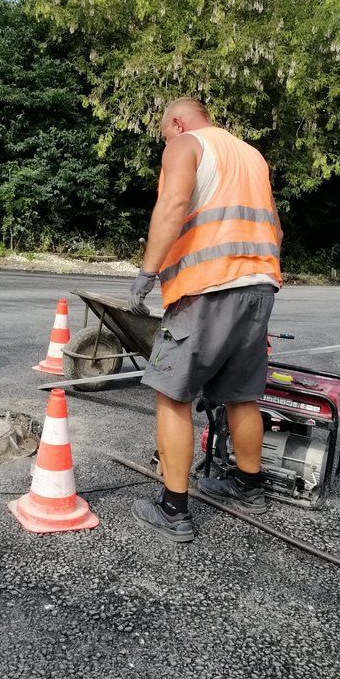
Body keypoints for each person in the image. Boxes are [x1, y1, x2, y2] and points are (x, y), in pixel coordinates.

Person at [129, 97, 283, 543]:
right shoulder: (251, 155)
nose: (165, 140)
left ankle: (174, 510)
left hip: (207, 287)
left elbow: (174, 203)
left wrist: (146, 273)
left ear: (176, 122)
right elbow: (275, 224)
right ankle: (248, 485)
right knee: (241, 394)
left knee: (171, 392)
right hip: (259, 286)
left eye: (164, 132)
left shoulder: (186, 144)